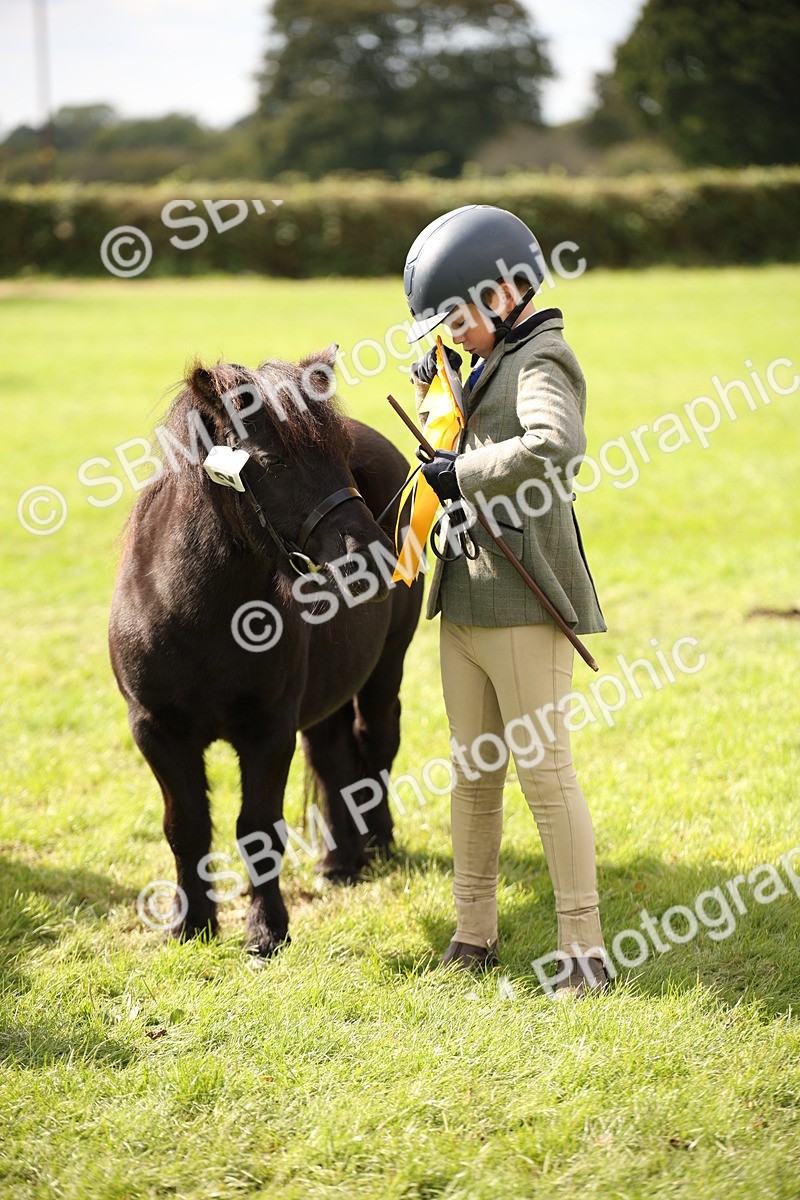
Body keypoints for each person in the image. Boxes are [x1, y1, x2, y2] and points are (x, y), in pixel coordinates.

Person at [403, 205, 609, 997]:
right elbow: (463, 426)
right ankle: (472, 932)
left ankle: (583, 948)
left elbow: (554, 446)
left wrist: (466, 473)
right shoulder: (485, 358)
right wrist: (438, 388)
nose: (452, 332)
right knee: (471, 778)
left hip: (523, 604)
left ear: (508, 293)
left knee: (546, 778)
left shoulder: (543, 358)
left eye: (458, 317)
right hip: (464, 603)